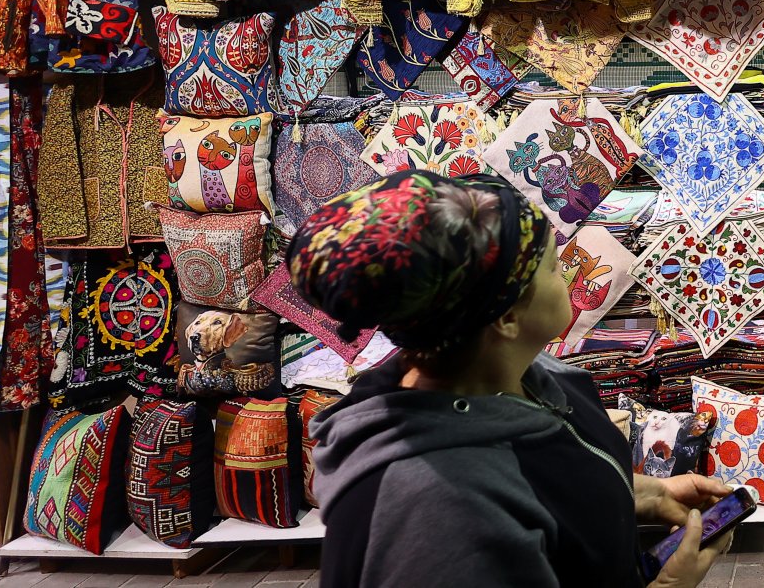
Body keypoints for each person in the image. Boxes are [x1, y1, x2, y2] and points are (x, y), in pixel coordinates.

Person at [290, 169, 733, 588]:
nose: (570, 272)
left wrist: (645, 494)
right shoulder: (438, 511)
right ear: (505, 317)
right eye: (554, 268)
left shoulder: (527, 375)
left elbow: (539, 478)